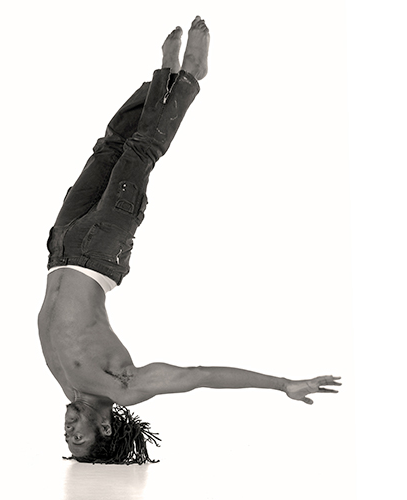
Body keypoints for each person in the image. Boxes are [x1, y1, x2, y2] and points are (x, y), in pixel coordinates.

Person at [38, 16, 341, 465]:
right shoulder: (127, 386)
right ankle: (191, 77)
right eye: (77, 439)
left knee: (110, 146)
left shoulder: (68, 383)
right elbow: (198, 376)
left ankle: (165, 78)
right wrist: (282, 384)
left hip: (61, 247)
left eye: (67, 440)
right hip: (101, 251)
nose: (67, 432)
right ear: (103, 427)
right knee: (140, 152)